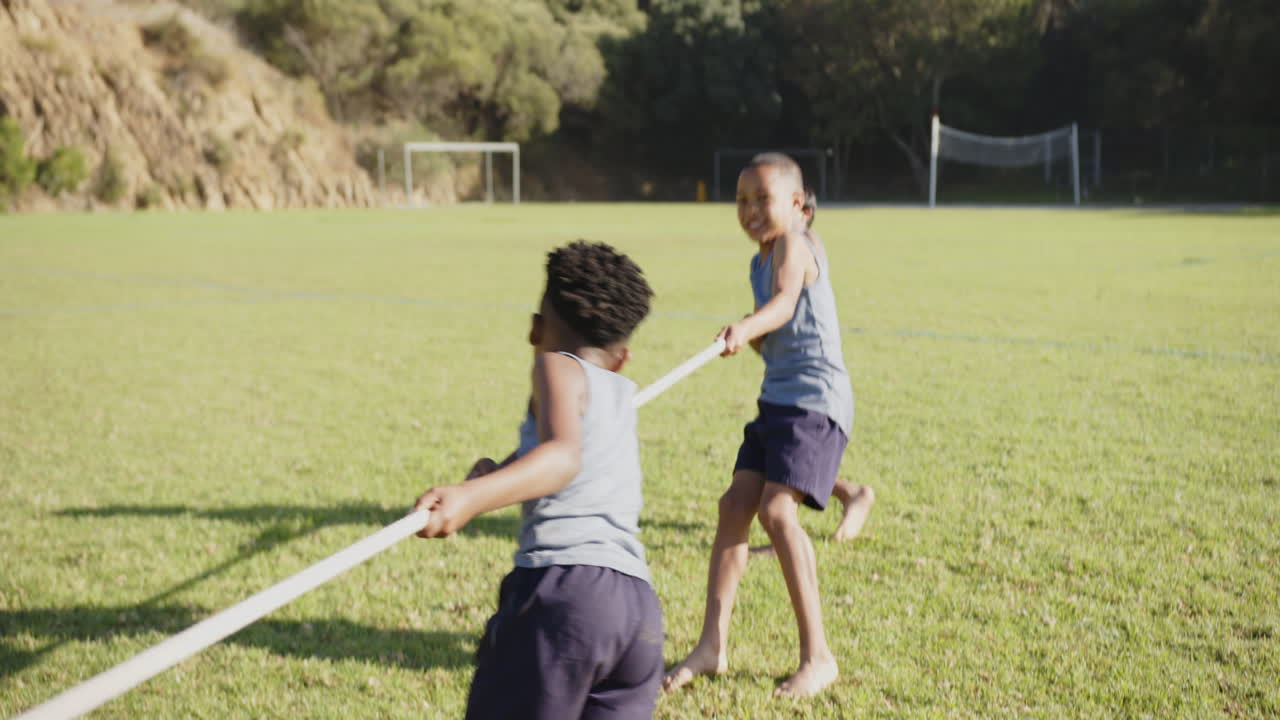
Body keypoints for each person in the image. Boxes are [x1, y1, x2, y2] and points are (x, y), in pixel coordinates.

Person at [413, 240, 662, 720]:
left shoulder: (556, 365)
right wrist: (503, 472)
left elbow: (563, 458)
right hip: (637, 614)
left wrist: (470, 497)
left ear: (536, 329)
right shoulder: (619, 391)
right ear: (623, 357)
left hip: (566, 597)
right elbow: (572, 450)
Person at [664, 154, 851, 698]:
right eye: (741, 200)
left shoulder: (795, 245)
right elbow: (775, 334)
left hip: (815, 403)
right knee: (735, 506)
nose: (748, 210)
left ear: (797, 204)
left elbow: (787, 303)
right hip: (778, 402)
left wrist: (747, 326)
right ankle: (711, 646)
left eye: (761, 199)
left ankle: (818, 656)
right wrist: (747, 338)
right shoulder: (759, 261)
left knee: (775, 510)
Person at [801, 187, 875, 543]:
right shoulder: (778, 253)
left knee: (783, 472)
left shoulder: (802, 247)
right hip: (792, 379)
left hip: (816, 386)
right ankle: (850, 493)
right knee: (769, 464)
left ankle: (789, 541)